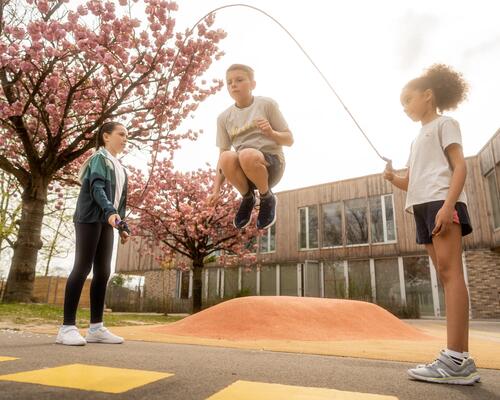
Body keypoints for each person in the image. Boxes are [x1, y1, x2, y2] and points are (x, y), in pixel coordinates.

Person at [384, 64, 480, 385]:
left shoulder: (445, 124)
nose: (405, 107)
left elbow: (460, 167)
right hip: (422, 207)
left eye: (408, 99)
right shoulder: (415, 140)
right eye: (402, 103)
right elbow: (409, 182)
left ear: (428, 96)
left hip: (442, 203)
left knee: (451, 274)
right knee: (444, 274)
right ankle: (458, 360)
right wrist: (392, 177)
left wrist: (448, 206)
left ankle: (456, 358)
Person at [56, 121, 130, 346]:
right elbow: (96, 188)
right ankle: (66, 328)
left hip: (107, 221)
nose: (125, 138)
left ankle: (96, 328)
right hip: (89, 218)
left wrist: (122, 225)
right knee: (82, 267)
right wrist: (109, 212)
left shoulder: (120, 167)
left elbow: (119, 201)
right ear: (106, 136)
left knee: (103, 272)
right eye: (121, 134)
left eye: (127, 135)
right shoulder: (100, 159)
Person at [209, 64, 293, 230]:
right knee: (226, 156)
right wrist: (215, 190)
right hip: (244, 174)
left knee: (246, 154)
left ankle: (267, 197)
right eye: (229, 82)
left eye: (239, 80)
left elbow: (289, 140)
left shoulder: (266, 105)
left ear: (252, 84)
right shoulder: (223, 118)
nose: (233, 85)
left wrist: (271, 133)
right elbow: (222, 157)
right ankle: (248, 198)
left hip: (271, 166)